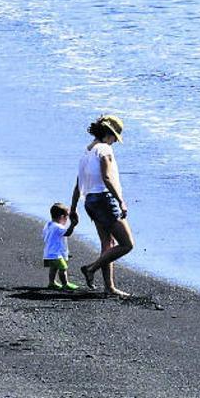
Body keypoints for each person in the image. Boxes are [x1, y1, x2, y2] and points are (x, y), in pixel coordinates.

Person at [70, 115, 134, 297]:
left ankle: (109, 287)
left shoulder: (86, 152)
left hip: (90, 201)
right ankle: (91, 268)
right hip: (104, 200)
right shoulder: (104, 149)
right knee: (127, 244)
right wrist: (120, 200)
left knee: (108, 244)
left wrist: (73, 207)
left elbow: (78, 184)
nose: (114, 142)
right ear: (109, 134)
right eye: (114, 137)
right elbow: (106, 178)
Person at [42, 202, 79, 290]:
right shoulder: (58, 227)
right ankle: (65, 284)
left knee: (53, 268)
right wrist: (73, 225)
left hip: (48, 252)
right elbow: (68, 233)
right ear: (62, 217)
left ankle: (52, 282)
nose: (66, 221)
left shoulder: (48, 224)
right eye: (66, 218)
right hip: (56, 253)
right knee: (63, 268)